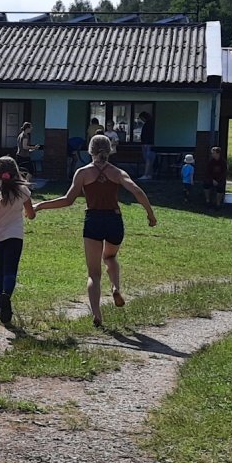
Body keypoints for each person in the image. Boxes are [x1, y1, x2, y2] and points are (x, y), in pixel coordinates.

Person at [32, 135, 157, 328]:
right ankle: (115, 287)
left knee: (93, 274)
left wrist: (40, 205)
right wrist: (150, 214)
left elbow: (68, 200)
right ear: (110, 150)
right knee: (110, 257)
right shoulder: (117, 172)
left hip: (93, 220)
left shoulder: (82, 173)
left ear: (89, 151)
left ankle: (97, 314)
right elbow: (137, 191)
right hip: (114, 220)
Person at [0, 156, 36, 324]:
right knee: (11, 271)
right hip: (15, 236)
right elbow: (31, 214)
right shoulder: (23, 191)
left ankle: (0, 306)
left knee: (0, 271)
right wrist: (28, 213)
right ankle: (7, 295)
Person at [138, 111, 155, 180]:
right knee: (149, 159)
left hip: (147, 144)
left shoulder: (148, 124)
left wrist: (146, 143)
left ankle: (146, 174)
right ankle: (149, 174)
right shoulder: (150, 124)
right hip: (148, 143)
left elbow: (147, 135)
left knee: (148, 159)